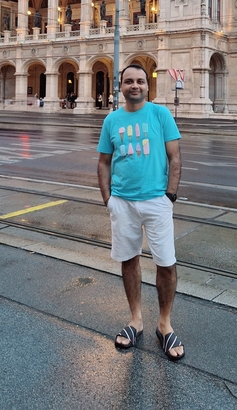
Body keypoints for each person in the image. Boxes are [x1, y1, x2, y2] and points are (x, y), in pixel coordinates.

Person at [97, 64, 184, 361]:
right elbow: (104, 162)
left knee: (166, 263)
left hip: (156, 201)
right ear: (120, 86)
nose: (135, 85)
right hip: (122, 202)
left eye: (140, 81)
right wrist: (108, 199)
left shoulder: (161, 114)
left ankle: (165, 324)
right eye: (129, 81)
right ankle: (136, 320)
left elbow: (175, 157)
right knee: (128, 260)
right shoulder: (112, 120)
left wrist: (169, 196)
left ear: (148, 86)